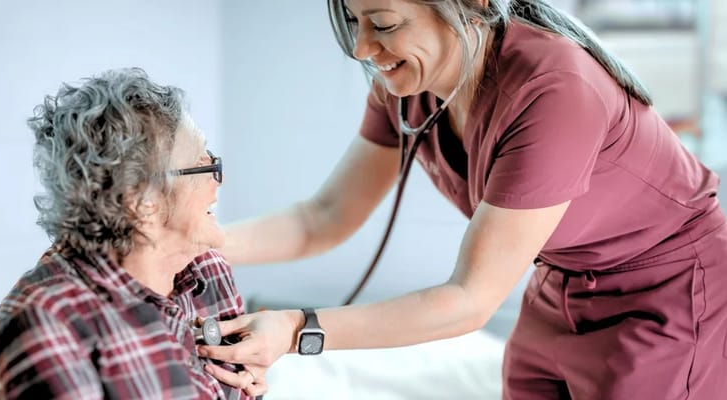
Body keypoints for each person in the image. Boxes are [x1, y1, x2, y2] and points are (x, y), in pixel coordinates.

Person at [198, 0, 727, 399]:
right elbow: (325, 218)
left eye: (382, 24)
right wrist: (201, 242)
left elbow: (470, 299)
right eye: (353, 23)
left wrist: (297, 328)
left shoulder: (555, 88)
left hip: (666, 294)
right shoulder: (406, 84)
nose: (361, 49)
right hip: (557, 285)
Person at [0, 68, 265, 399]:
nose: (219, 179)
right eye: (203, 167)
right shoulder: (50, 325)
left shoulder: (207, 271)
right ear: (141, 201)